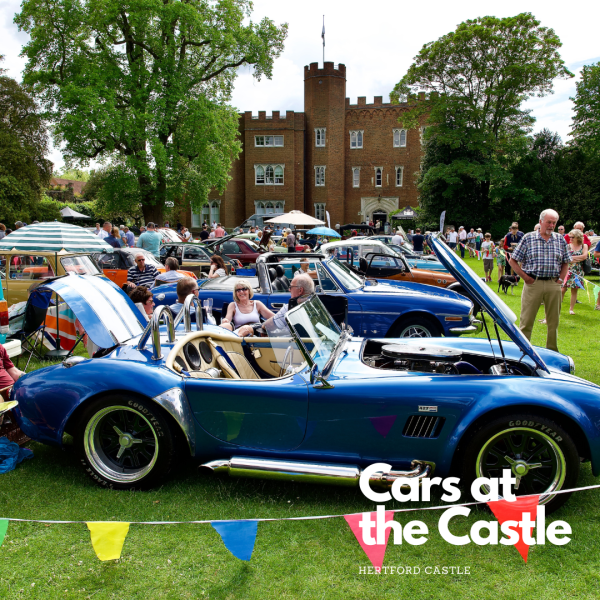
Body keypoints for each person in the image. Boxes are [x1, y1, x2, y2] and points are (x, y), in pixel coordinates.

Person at [509, 209, 571, 352]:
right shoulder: (528, 238)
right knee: (526, 321)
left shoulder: (560, 239)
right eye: (549, 222)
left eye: (554, 223)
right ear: (541, 221)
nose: (551, 225)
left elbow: (566, 262)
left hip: (553, 284)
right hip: (533, 283)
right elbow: (513, 260)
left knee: (553, 322)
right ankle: (522, 352)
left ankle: (552, 351)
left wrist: (561, 280)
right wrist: (525, 278)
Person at [561, 229, 588, 315]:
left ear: (578, 237)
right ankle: (558, 307)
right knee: (562, 289)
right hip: (567, 269)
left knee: (574, 290)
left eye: (573, 237)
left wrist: (572, 258)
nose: (571, 239)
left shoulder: (584, 246)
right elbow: (565, 258)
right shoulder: (567, 246)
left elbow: (584, 256)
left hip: (578, 270)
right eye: (570, 237)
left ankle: (571, 309)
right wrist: (575, 259)